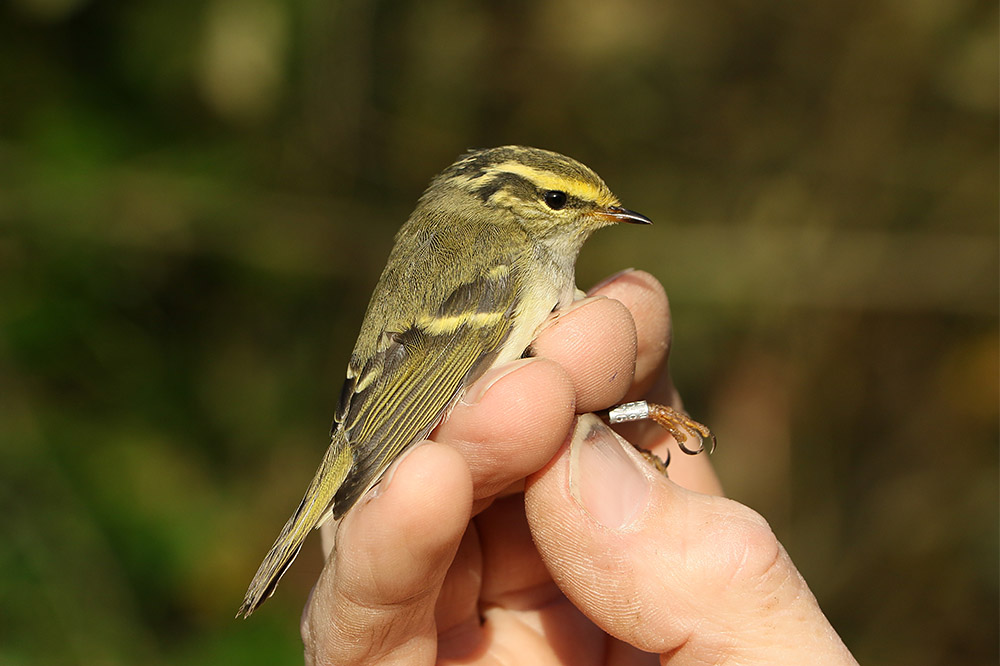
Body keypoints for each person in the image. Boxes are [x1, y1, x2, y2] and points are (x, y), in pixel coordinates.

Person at [300, 269, 859, 665]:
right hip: (407, 403)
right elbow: (421, 375)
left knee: (547, 398)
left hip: (445, 427)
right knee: (537, 404)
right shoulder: (506, 265)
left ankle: (632, 416)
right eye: (561, 201)